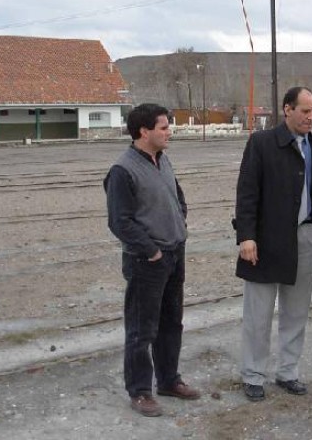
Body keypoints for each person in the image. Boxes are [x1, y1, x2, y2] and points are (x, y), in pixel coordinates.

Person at [234, 86, 312, 401]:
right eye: (305, 111)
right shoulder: (261, 144)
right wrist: (247, 236)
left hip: (304, 239)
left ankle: (288, 372)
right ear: (287, 109)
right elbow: (247, 193)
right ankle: (253, 376)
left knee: (296, 311)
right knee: (258, 314)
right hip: (264, 241)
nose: (311, 117)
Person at [104, 103, 200, 417]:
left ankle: (169, 381)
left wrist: (179, 226)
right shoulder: (123, 170)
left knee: (171, 323)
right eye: (163, 127)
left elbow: (177, 197)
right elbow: (120, 222)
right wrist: (153, 251)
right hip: (147, 261)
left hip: (175, 253)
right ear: (143, 131)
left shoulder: (163, 159)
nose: (169, 132)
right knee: (141, 330)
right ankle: (140, 391)